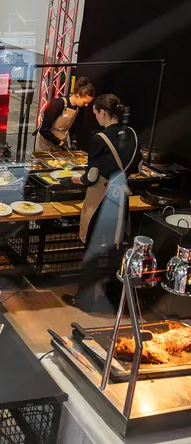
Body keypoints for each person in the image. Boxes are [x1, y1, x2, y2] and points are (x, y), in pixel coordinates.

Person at [63, 94, 140, 312]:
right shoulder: (132, 134)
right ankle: (115, 299)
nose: (95, 117)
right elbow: (137, 168)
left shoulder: (100, 139)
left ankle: (85, 300)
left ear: (104, 113)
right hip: (121, 198)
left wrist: (72, 180)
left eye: (96, 113)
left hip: (101, 201)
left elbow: (92, 177)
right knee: (116, 250)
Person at [34, 77, 95, 152]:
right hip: (45, 143)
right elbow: (44, 130)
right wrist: (61, 144)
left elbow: (72, 127)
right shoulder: (58, 104)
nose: (86, 105)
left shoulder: (77, 108)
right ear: (77, 95)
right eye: (85, 102)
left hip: (60, 142)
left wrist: (73, 141)